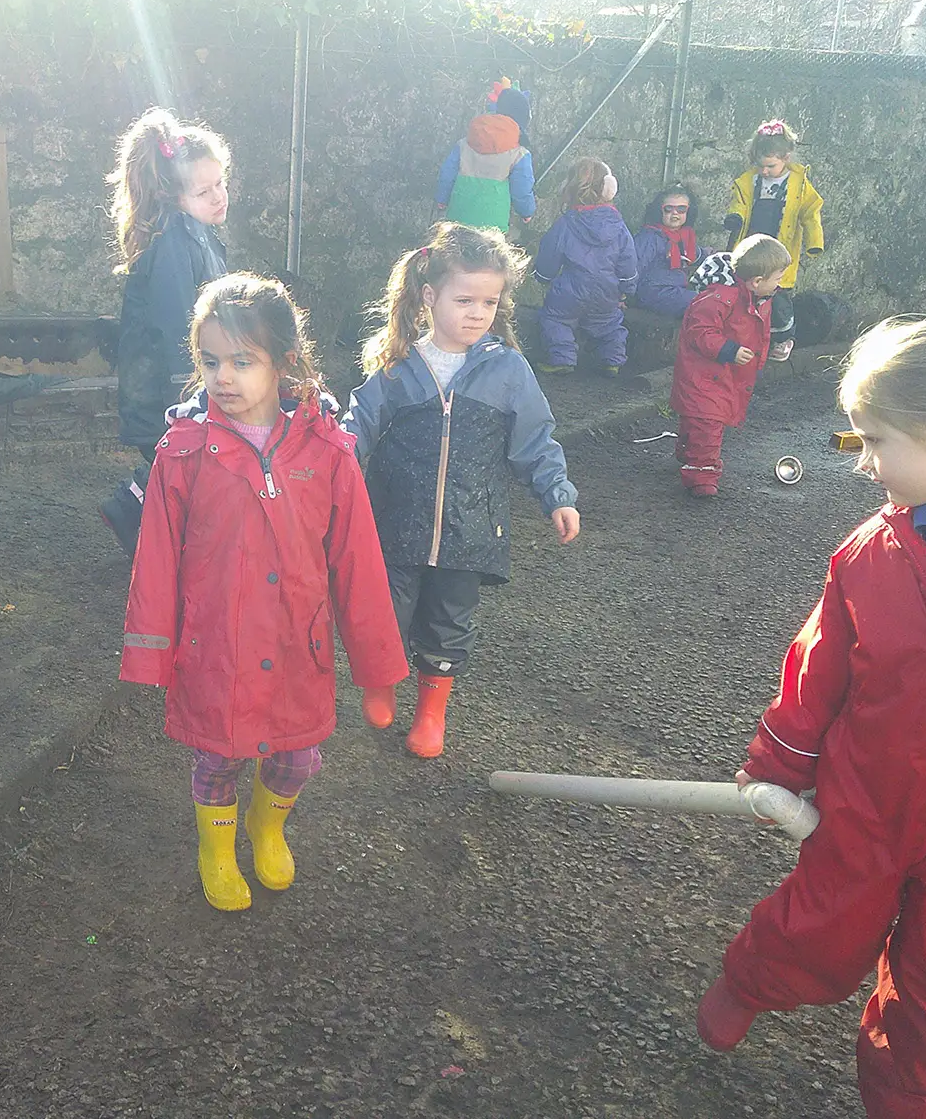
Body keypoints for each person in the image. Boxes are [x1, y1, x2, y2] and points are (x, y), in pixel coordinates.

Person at [696, 315, 926, 1117]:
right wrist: (777, 765)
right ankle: (750, 979)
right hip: (872, 800)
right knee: (823, 924)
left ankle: (908, 1097)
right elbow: (815, 674)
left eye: (877, 440)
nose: (863, 461)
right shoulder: (869, 557)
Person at [120, 273, 408, 912]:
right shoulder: (183, 452)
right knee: (217, 757)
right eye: (210, 361)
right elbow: (156, 561)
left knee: (296, 755)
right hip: (215, 644)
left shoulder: (327, 451)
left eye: (242, 361)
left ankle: (267, 825)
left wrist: (378, 670)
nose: (222, 377)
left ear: (284, 361)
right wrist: (150, 653)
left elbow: (358, 562)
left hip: (296, 642)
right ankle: (217, 849)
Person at [342, 223, 580, 760]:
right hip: (395, 520)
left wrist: (557, 495)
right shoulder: (399, 365)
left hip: (472, 526)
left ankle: (432, 712)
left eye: (489, 302)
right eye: (464, 300)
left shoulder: (508, 369)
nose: (477, 313)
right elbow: (356, 429)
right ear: (429, 296)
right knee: (384, 610)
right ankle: (381, 682)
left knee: (449, 619)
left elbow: (535, 440)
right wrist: (325, 477)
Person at [98, 108, 230, 556]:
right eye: (204, 191)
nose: (218, 197)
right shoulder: (174, 242)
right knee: (183, 467)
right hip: (163, 392)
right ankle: (133, 511)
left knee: (185, 471)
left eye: (221, 184)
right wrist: (189, 397)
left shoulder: (201, 235)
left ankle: (140, 515)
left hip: (177, 386)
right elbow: (176, 325)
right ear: (174, 198)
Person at [669, 235, 790, 498]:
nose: (779, 285)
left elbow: (758, 331)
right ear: (757, 281)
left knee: (700, 420)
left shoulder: (756, 297)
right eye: (777, 279)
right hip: (704, 375)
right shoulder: (720, 298)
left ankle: (689, 453)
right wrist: (729, 350)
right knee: (707, 422)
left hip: (722, 375)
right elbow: (699, 331)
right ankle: (702, 475)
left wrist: (771, 348)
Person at [722, 120, 825, 362]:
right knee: (747, 290)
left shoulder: (799, 184)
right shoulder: (749, 181)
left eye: (770, 166)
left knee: (777, 294)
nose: (765, 171)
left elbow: (810, 212)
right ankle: (750, 337)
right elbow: (740, 202)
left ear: (786, 158)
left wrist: (814, 241)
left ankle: (784, 337)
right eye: (761, 166)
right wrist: (735, 216)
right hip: (752, 242)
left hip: (780, 245)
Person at [533, 157, 638, 376]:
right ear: (609, 188)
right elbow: (628, 260)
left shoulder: (566, 223)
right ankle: (612, 361)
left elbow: (550, 254)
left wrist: (543, 276)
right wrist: (626, 290)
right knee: (609, 323)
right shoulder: (618, 225)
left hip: (570, 290)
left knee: (555, 318)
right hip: (607, 291)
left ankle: (562, 358)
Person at [433, 83, 536, 234]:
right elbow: (522, 188)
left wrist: (442, 199)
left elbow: (447, 174)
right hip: (492, 227)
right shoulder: (519, 154)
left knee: (454, 248)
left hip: (457, 218)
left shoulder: (464, 144)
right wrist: (526, 211)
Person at [632, 184, 711, 318]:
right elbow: (633, 267)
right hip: (654, 292)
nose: (675, 213)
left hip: (676, 288)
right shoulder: (650, 236)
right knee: (705, 304)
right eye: (668, 209)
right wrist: (623, 296)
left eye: (681, 209)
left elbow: (696, 255)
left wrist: (712, 254)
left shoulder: (684, 236)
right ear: (659, 211)